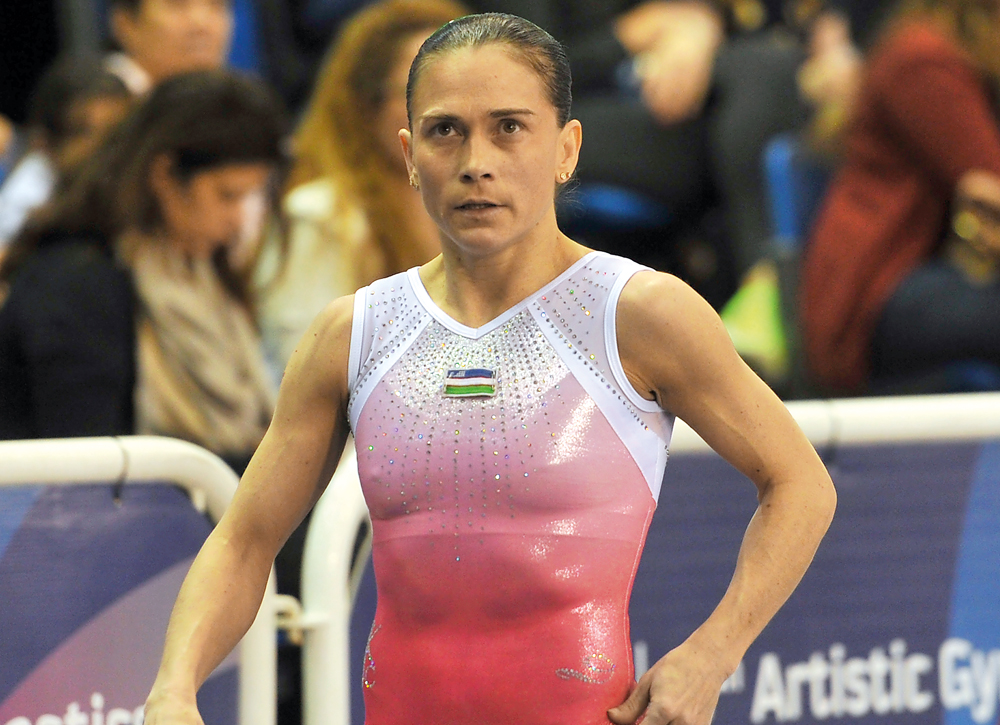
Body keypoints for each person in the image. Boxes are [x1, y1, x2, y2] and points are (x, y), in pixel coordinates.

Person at [143, 14, 836, 725]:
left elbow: (800, 485)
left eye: (509, 127)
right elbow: (244, 537)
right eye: (447, 130)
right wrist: (174, 684)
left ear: (567, 148)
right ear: (409, 154)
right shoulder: (353, 332)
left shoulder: (639, 314)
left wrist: (712, 654)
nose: (478, 160)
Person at [0, 71, 287, 474]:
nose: (239, 220)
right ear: (165, 176)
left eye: (253, 195)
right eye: (227, 195)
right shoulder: (77, 282)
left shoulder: (196, 267)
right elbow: (88, 473)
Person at [255, 0, 466, 376]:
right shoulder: (319, 217)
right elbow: (307, 370)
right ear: (366, 106)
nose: (449, 114)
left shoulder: (485, 205)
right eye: (421, 93)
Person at [800, 0, 1000, 394]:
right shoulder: (920, 59)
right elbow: (988, 183)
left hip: (935, 276)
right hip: (874, 297)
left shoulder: (960, 54)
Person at [0, 56, 132, 254]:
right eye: (85, 132)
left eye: (118, 133)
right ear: (44, 144)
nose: (107, 148)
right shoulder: (26, 203)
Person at [106, 0, 234, 95]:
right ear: (125, 24)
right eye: (177, 5)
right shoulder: (99, 111)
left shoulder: (237, 106)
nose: (201, 24)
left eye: (216, 5)